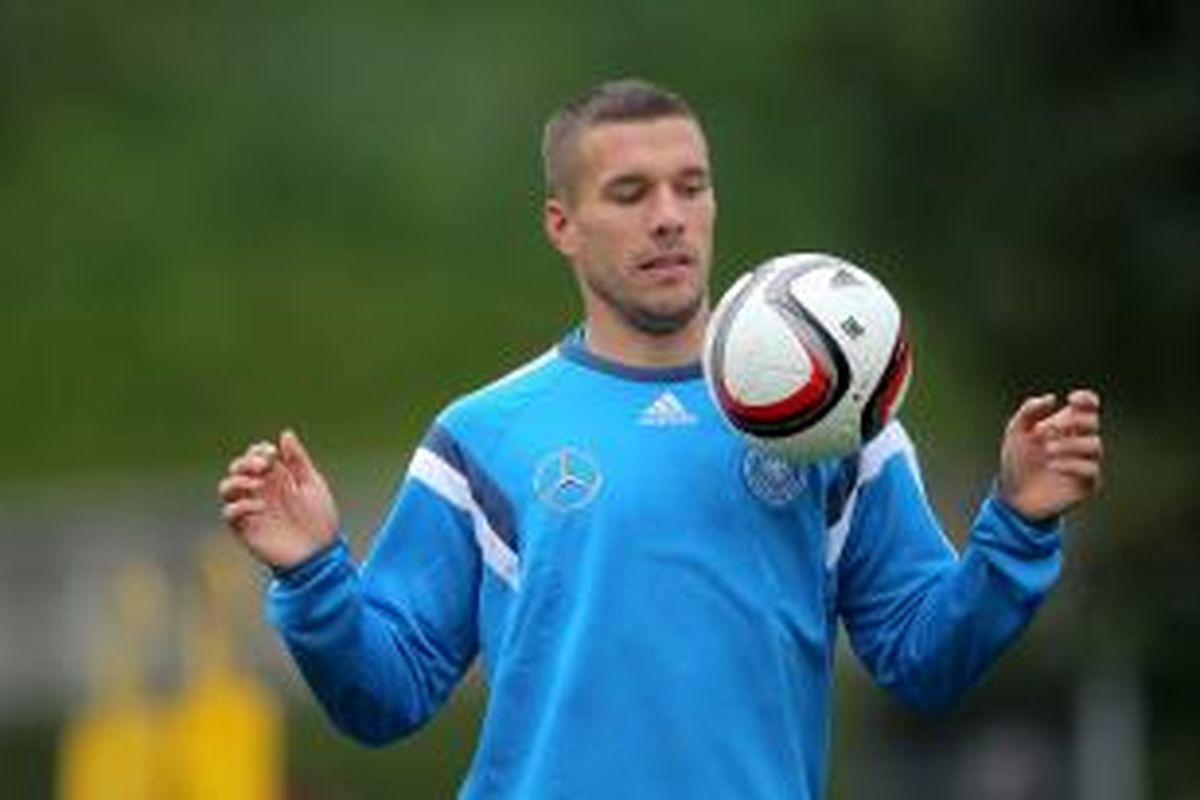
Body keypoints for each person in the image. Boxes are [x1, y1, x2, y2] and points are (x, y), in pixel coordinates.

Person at [218, 78, 1103, 799]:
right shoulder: (483, 436)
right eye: (631, 193)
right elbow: (386, 698)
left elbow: (925, 662)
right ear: (562, 225)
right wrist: (315, 574)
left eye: (692, 184)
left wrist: (1017, 524)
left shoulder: (836, 416)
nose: (670, 216)